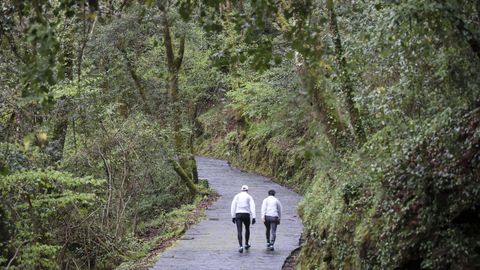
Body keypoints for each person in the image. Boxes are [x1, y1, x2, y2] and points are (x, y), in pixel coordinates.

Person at [231, 185, 256, 253]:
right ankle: (246, 243)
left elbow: (233, 206)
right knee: (247, 229)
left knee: (239, 230)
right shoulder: (249, 196)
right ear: (247, 190)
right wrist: (254, 217)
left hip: (238, 214)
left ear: (241, 190)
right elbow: (252, 206)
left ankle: (240, 246)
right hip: (246, 214)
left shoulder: (237, 196)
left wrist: (233, 216)